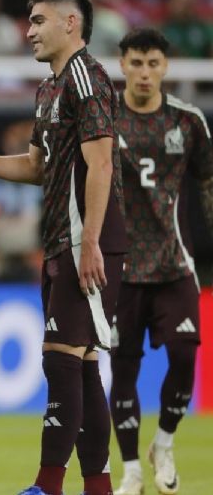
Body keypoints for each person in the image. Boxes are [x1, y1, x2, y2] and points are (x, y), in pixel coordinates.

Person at [0, 0, 127, 495]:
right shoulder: (50, 87)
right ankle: (97, 487)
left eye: (38, 20)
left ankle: (47, 485)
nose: (29, 29)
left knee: (60, 358)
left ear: (70, 23)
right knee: (80, 365)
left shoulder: (88, 78)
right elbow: (37, 165)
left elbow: (101, 163)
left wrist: (91, 242)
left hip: (87, 239)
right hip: (64, 237)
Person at [109, 28, 213, 495]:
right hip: (120, 269)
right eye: (136, 63)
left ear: (165, 67)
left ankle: (164, 443)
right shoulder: (104, 119)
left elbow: (208, 181)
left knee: (184, 356)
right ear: (122, 65)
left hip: (174, 264)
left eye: (153, 63)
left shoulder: (188, 122)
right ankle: (131, 467)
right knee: (123, 369)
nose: (145, 73)